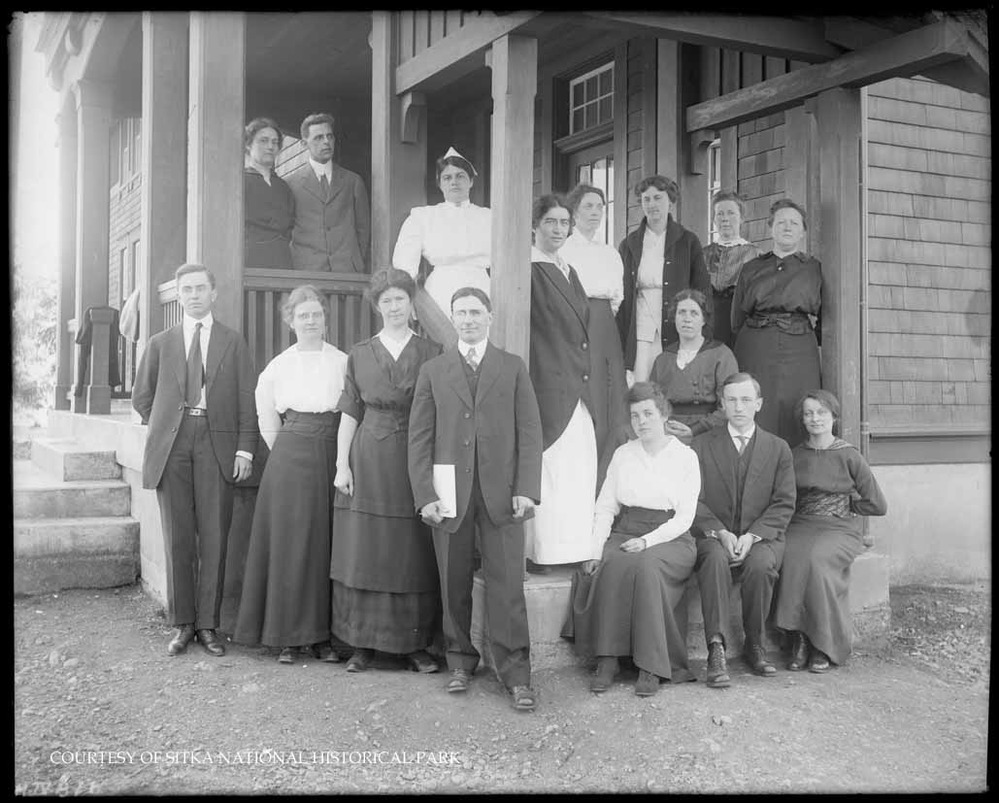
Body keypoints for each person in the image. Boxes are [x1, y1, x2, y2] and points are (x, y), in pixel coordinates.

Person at [408, 287, 543, 711]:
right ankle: (460, 661)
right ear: (452, 318)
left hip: (502, 495)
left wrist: (526, 487)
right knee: (453, 582)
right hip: (451, 496)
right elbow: (420, 438)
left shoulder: (512, 367)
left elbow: (530, 432)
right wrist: (425, 494)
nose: (467, 320)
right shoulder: (434, 370)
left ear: (490, 315)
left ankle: (516, 674)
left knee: (507, 585)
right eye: (460, 313)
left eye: (474, 312)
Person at [132, 263, 257, 657]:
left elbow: (245, 400)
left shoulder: (232, 342)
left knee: (215, 536)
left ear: (213, 293)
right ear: (180, 296)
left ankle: (208, 626)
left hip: (216, 442)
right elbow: (142, 398)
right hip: (173, 444)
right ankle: (184, 624)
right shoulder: (160, 342)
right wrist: (169, 423)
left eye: (201, 288)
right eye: (187, 290)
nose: (194, 295)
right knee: (178, 536)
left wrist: (244, 448)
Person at [330, 269, 443, 674]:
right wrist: (342, 465)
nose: (394, 307)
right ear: (377, 307)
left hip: (415, 457)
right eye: (387, 301)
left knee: (411, 549)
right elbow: (349, 414)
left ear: (412, 304)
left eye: (400, 299)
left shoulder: (432, 351)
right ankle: (361, 645)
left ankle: (413, 644)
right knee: (366, 547)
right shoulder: (359, 353)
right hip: (369, 457)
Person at [234, 286, 347, 663]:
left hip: (333, 451)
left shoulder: (342, 362)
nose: (311, 321)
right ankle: (287, 636)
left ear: (325, 318)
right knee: (290, 542)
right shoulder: (278, 367)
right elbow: (267, 418)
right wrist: (289, 446)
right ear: (291, 322)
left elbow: (351, 413)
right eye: (303, 316)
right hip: (291, 453)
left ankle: (324, 638)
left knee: (327, 542)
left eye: (316, 314)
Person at [573, 383, 701, 697]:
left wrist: (647, 541)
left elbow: (685, 518)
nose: (641, 421)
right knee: (612, 561)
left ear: (664, 414)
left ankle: (652, 665)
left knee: (645, 567)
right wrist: (593, 549)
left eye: (648, 413)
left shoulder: (685, 457)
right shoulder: (623, 454)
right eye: (634, 415)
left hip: (671, 538)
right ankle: (608, 659)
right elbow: (605, 506)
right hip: (626, 530)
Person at [691, 372, 796, 688]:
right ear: (722, 403)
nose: (739, 406)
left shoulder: (778, 449)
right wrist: (720, 532)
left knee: (761, 565)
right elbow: (690, 499)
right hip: (714, 534)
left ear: (759, 404)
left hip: (760, 536)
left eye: (746, 399)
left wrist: (752, 536)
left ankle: (755, 643)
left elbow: (784, 503)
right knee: (713, 561)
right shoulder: (700, 446)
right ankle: (716, 648)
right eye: (732, 399)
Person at [773, 390, 887, 673]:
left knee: (817, 562)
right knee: (789, 557)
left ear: (834, 417)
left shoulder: (849, 455)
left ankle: (823, 644)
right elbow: (783, 495)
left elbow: (877, 504)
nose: (815, 419)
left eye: (822, 412)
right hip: (801, 524)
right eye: (809, 413)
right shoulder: (793, 454)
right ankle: (798, 639)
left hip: (839, 528)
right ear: (802, 419)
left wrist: (846, 504)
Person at [526, 193, 600, 570]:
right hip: (549, 380)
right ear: (535, 226)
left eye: (563, 223)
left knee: (578, 466)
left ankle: (575, 550)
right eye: (550, 222)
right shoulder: (529, 270)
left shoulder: (568, 269)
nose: (558, 229)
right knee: (553, 467)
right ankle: (547, 554)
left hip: (577, 380)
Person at [731, 198, 822, 446]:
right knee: (758, 406)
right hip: (756, 344)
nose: (787, 227)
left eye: (794, 223)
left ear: (803, 232)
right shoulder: (752, 268)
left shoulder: (813, 268)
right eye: (781, 222)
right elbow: (736, 318)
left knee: (798, 405)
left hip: (799, 345)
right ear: (771, 228)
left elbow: (826, 318)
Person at [560, 183, 630, 487]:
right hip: (575, 324)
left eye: (599, 207)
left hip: (604, 328)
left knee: (609, 397)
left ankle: (605, 481)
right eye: (588, 206)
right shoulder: (562, 249)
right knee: (584, 399)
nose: (594, 212)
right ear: (574, 212)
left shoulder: (610, 253)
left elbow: (616, 299)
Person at [617, 175, 712, 384]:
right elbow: (621, 293)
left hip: (675, 323)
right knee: (640, 381)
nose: (652, 204)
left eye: (658, 198)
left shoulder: (688, 241)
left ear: (670, 201)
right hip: (641, 323)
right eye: (646, 199)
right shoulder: (629, 244)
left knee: (672, 381)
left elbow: (702, 289)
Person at [392, 147, 491, 316]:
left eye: (460, 176)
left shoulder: (489, 217)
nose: (454, 182)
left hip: (482, 287)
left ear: (471, 181)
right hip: (440, 291)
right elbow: (404, 262)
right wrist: (409, 299)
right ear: (439, 183)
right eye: (447, 177)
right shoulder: (423, 216)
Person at [648, 288, 738, 445]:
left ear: (703, 320)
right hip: (669, 435)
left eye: (694, 313)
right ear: (674, 318)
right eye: (681, 312)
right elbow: (652, 402)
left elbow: (729, 405)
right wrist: (664, 427)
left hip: (709, 435)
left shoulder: (721, 355)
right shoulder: (663, 359)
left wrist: (695, 429)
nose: (687, 319)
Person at [287, 113, 370, 272]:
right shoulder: (291, 184)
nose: (326, 142)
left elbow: (363, 229)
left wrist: (356, 261)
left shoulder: (353, 181)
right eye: (318, 138)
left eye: (329, 136)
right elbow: (287, 231)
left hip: (347, 272)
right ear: (305, 144)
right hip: (307, 272)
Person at [702, 191, 759, 347]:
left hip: (740, 321)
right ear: (714, 219)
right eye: (719, 214)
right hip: (710, 321)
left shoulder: (754, 254)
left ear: (741, 218)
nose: (725, 219)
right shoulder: (703, 254)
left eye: (731, 213)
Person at [243, 117, 294, 269]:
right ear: (248, 145)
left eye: (274, 142)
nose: (270, 146)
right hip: (250, 261)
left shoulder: (284, 187)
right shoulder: (239, 183)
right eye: (263, 141)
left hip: (282, 260)